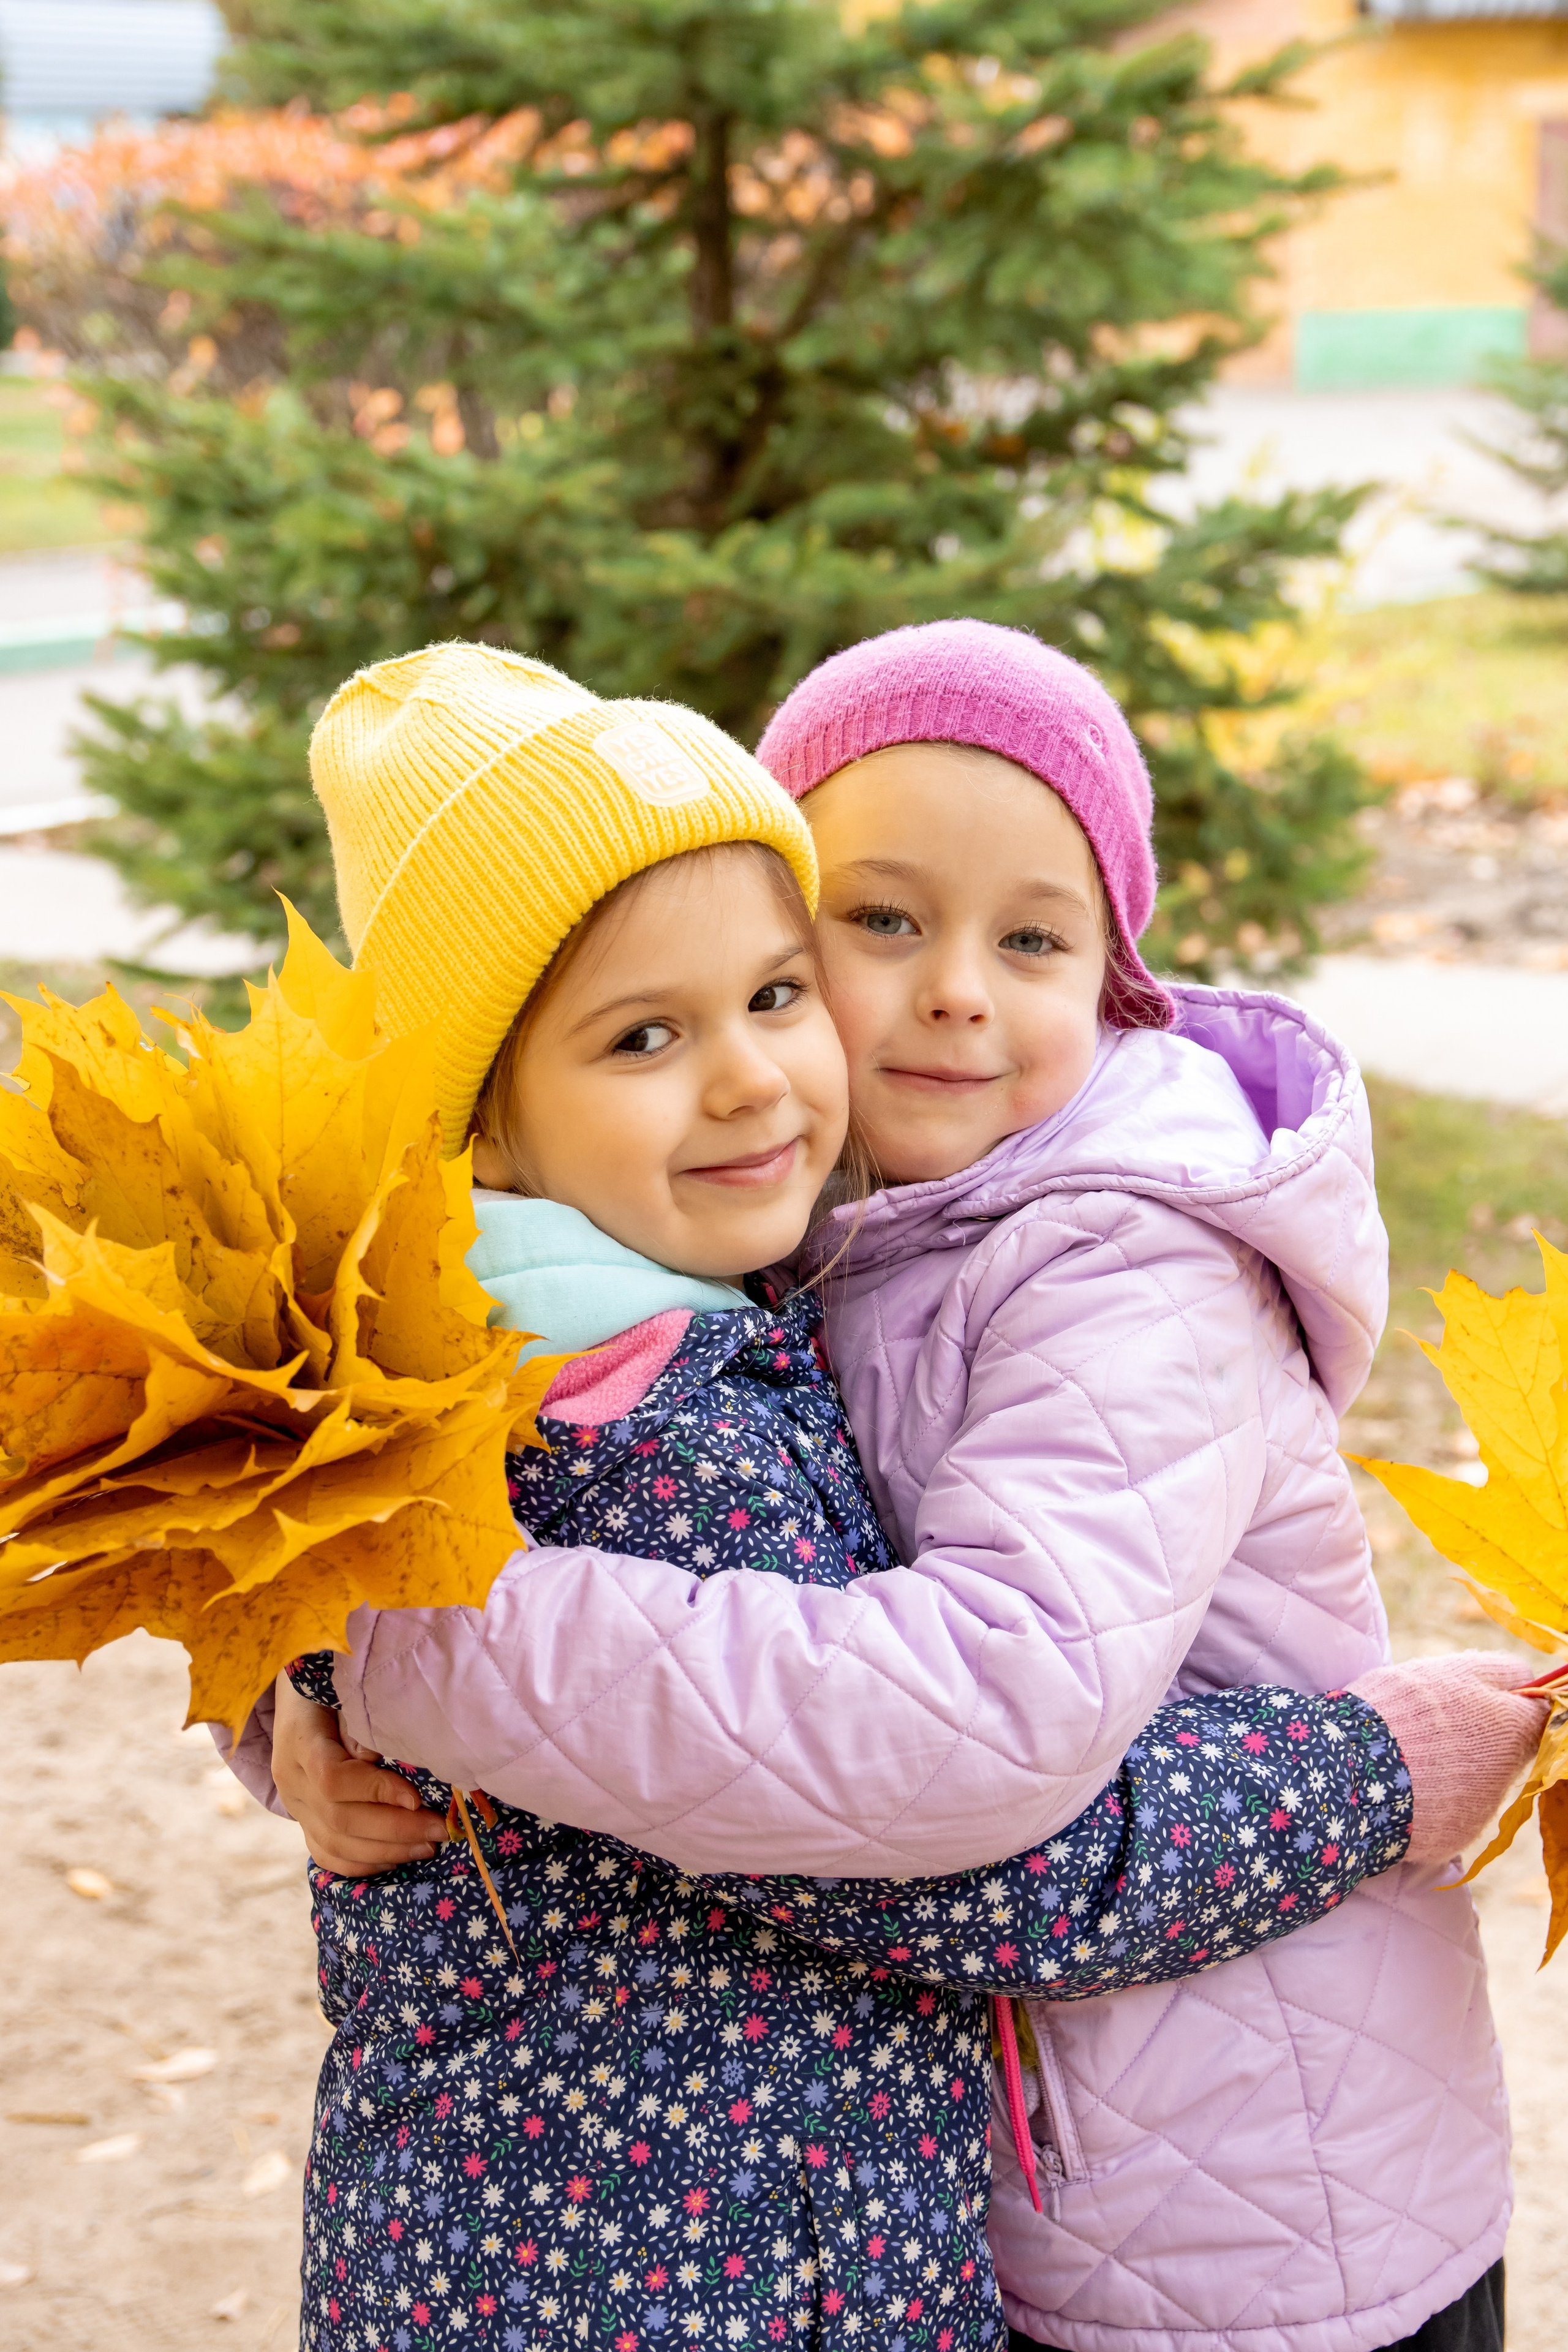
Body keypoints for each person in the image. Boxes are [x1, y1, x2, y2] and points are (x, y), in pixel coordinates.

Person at [232, 637, 1532, 2352]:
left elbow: (972, 1733)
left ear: (1120, 975)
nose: (958, 992)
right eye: (882, 921)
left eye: (1035, 940)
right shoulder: (743, 1252)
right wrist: (300, 1694)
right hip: (975, 2178)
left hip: (1246, 2197)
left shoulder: (1125, 1265)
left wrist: (392, 1639)